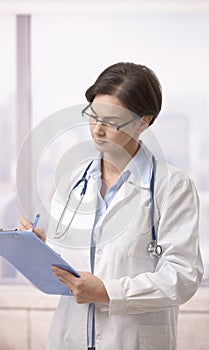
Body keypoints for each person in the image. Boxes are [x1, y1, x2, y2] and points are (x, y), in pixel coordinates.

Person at [20, 62, 203, 350]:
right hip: (70, 338)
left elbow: (183, 277)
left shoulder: (173, 187)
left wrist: (108, 292)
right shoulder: (72, 182)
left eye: (112, 122)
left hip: (132, 341)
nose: (98, 130)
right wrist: (38, 248)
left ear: (144, 121)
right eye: (94, 116)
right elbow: (63, 267)